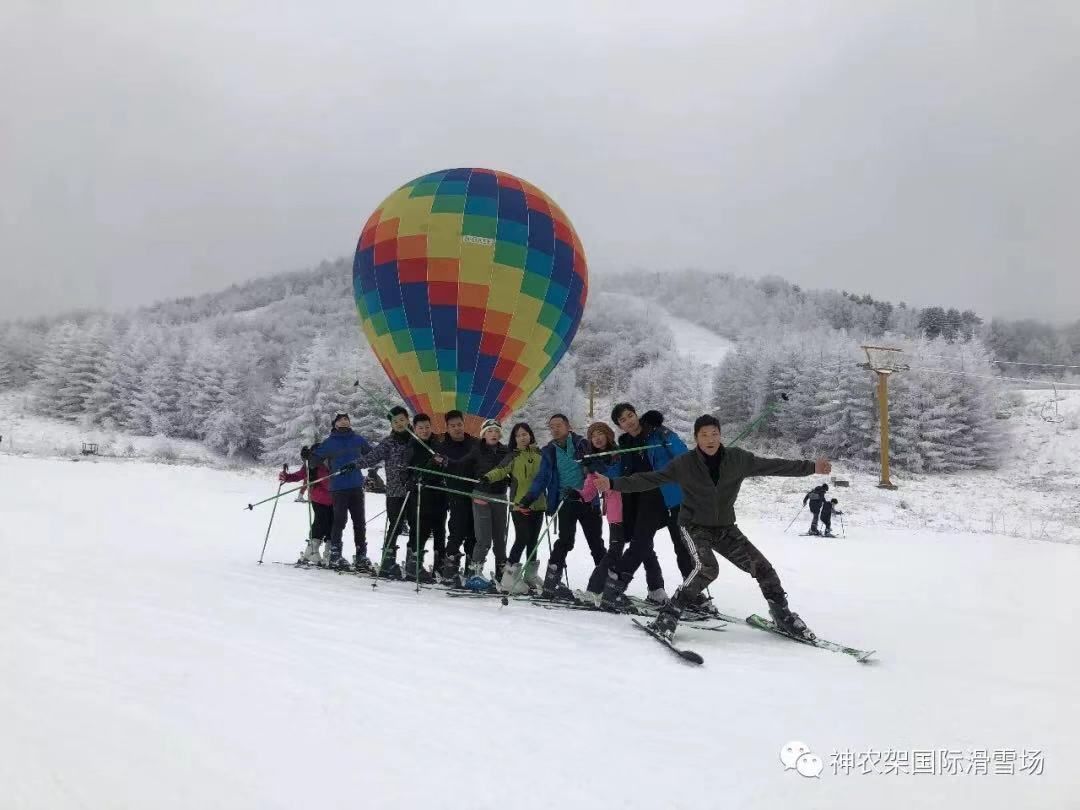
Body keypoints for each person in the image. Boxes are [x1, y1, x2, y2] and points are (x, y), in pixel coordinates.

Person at [596, 414, 831, 641]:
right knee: (707, 568)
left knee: (763, 568)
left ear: (720, 435)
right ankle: (670, 613)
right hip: (693, 525)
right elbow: (650, 479)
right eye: (704, 435)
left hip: (725, 527)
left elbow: (774, 466)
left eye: (714, 434)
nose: (710, 439)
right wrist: (613, 483)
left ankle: (782, 614)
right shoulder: (685, 464)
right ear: (696, 438)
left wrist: (811, 467)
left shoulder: (738, 459)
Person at [599, 403, 689, 610]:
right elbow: (618, 470)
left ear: (636, 415)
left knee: (682, 546)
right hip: (648, 500)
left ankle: (692, 592)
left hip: (673, 496)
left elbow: (682, 454)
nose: (628, 421)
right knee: (640, 543)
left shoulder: (660, 434)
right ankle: (614, 588)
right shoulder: (626, 445)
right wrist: (601, 475)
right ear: (619, 426)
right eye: (623, 420)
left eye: (630, 415)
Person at [575, 422, 667, 608]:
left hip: (636, 509)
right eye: (594, 436)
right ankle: (594, 590)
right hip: (617, 514)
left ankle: (656, 590)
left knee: (646, 549)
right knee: (615, 552)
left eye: (601, 433)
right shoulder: (594, 465)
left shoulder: (622, 455)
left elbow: (627, 474)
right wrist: (577, 494)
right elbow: (590, 491)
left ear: (609, 436)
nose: (598, 438)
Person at [518, 414, 606, 599]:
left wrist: (589, 462)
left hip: (589, 502)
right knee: (565, 541)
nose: (555, 429)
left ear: (568, 426)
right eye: (552, 427)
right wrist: (529, 498)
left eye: (559, 425)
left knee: (596, 543)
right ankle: (552, 581)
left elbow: (599, 464)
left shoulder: (582, 443)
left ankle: (603, 585)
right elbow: (542, 477)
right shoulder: (549, 450)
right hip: (566, 501)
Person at [483, 422, 546, 595]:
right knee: (522, 539)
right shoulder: (513, 455)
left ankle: (530, 575)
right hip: (520, 504)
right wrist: (488, 478)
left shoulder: (541, 454)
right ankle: (508, 579)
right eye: (518, 435)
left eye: (525, 434)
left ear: (531, 435)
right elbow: (500, 470)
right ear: (514, 439)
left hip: (539, 503)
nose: (522, 437)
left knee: (533, 541)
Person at [447, 419, 510, 591]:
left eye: (496, 431)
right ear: (484, 434)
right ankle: (475, 571)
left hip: (500, 496)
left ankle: (501, 571)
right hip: (481, 495)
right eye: (490, 431)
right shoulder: (477, 450)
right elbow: (461, 465)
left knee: (500, 538)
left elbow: (511, 472)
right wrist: (445, 462)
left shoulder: (506, 451)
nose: (494, 434)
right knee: (483, 538)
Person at [354, 405, 417, 578]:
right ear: (391, 424)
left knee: (416, 527)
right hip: (395, 492)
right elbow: (372, 457)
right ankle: (388, 561)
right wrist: (355, 465)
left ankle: (413, 562)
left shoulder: (416, 439)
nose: (399, 424)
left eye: (402, 420)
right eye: (395, 421)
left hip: (415, 491)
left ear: (408, 420)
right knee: (395, 526)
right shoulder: (389, 442)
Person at [309, 414, 374, 570]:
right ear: (335, 424)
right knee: (339, 521)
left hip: (356, 486)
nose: (344, 421)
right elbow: (313, 462)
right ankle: (335, 554)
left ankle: (361, 555)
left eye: (346, 419)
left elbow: (372, 456)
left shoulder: (358, 440)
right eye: (340, 419)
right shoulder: (330, 442)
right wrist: (309, 455)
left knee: (360, 522)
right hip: (338, 488)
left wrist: (371, 468)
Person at [404, 413, 447, 582]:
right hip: (420, 495)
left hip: (439, 494)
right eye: (420, 428)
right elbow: (411, 471)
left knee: (440, 531)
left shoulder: (438, 444)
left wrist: (443, 463)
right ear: (415, 429)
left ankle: (440, 565)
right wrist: (432, 463)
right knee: (420, 530)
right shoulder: (412, 447)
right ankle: (414, 564)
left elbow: (445, 466)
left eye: (427, 427)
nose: (424, 431)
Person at [436, 410, 476, 582]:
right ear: (447, 427)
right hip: (455, 494)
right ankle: (450, 567)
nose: (457, 428)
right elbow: (434, 466)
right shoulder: (442, 447)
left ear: (463, 424)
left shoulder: (475, 443)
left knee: (474, 532)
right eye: (452, 426)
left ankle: (471, 568)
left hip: (475, 493)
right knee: (457, 530)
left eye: (459, 424)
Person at [279, 446, 334, 564]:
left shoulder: (333, 460)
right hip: (319, 499)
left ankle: (329, 553)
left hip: (336, 499)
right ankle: (312, 551)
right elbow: (300, 475)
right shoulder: (311, 464)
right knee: (321, 522)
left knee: (333, 525)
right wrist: (286, 477)